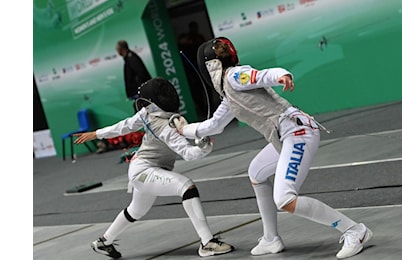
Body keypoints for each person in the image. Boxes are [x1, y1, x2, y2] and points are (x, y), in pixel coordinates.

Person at [176, 37, 373, 259]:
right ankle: (271, 238)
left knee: (285, 199)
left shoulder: (233, 76)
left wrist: (281, 75)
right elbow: (214, 125)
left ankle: (355, 230)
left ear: (210, 67)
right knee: (256, 173)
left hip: (297, 133)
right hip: (286, 136)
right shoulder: (229, 94)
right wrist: (184, 130)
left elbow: (260, 75)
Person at [73, 77, 234, 259]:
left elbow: (124, 127)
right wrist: (204, 148)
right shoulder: (159, 122)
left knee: (136, 210)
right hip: (143, 171)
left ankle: (103, 242)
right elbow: (187, 154)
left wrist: (96, 134)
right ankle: (207, 243)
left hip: (145, 169)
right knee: (186, 187)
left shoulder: (159, 118)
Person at [116, 40, 152, 112]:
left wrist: (141, 89)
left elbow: (141, 73)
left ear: (121, 49)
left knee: (143, 112)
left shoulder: (131, 58)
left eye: (117, 49)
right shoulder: (128, 58)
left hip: (139, 91)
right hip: (138, 91)